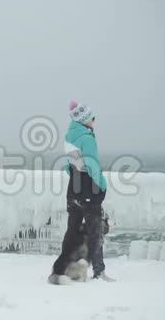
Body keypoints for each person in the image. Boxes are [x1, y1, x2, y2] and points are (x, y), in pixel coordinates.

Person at [53, 100, 114, 281]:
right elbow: (92, 166)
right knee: (95, 231)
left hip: (74, 188)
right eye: (92, 117)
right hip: (89, 189)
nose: (94, 121)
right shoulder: (87, 138)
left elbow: (68, 166)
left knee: (72, 230)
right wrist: (102, 185)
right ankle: (99, 272)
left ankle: (62, 270)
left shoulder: (69, 137)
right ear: (84, 119)